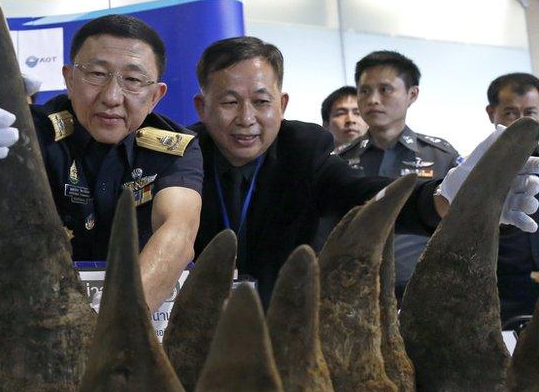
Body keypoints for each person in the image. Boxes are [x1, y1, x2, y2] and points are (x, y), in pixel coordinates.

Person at [189, 36, 537, 306]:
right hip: (192, 325)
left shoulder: (303, 149)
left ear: (281, 105)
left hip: (284, 328)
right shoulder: (181, 155)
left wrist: (449, 198)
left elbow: (369, 195)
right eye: (230, 102)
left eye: (262, 102)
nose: (246, 119)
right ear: (202, 107)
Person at [0, 14, 203, 313]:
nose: (112, 97)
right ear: (69, 79)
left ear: (155, 96)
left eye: (132, 80)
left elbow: (178, 231)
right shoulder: (28, 131)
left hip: (129, 314)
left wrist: (116, 324)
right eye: (97, 74)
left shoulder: (174, 147)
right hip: (24, 309)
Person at [334, 51, 460, 299]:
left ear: (412, 94)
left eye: (385, 90)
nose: (373, 100)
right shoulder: (340, 161)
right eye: (364, 91)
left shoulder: (441, 157)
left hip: (425, 292)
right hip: (353, 291)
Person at [486, 73, 539, 321]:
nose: (521, 122)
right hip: (500, 300)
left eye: (530, 112)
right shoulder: (475, 171)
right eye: (510, 113)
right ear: (491, 113)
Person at [321, 86, 366, 151]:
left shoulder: (382, 157)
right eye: (340, 113)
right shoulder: (317, 160)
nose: (350, 120)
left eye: (357, 113)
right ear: (326, 124)